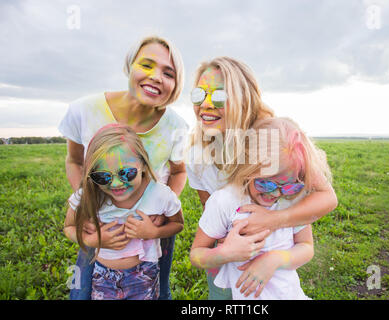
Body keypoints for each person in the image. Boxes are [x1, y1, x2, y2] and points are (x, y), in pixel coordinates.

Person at [185, 57, 338, 299]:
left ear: (243, 99)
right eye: (198, 95)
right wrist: (225, 252)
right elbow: (209, 210)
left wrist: (274, 220)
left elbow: (327, 197)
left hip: (273, 267)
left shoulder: (273, 139)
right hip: (226, 263)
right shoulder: (196, 155)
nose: (205, 104)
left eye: (219, 97)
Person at [58, 35, 188, 300]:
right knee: (81, 291)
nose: (155, 76)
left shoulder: (176, 127)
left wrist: (160, 216)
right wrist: (93, 208)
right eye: (147, 65)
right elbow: (75, 161)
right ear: (130, 66)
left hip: (150, 224)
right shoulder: (83, 110)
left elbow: (178, 172)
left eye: (168, 73)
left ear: (175, 84)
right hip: (97, 222)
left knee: (157, 290)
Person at [190, 117, 330, 299]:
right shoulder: (225, 201)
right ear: (247, 167)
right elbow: (196, 255)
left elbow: (306, 246)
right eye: (266, 184)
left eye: (289, 186)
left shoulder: (294, 200)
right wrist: (225, 253)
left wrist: (274, 260)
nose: (276, 194)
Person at [64, 124, 184, 300]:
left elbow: (178, 224)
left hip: (143, 275)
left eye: (126, 173)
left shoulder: (160, 194)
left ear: (143, 164)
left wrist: (155, 232)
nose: (115, 184)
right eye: (103, 177)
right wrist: (92, 240)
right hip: (102, 276)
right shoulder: (89, 196)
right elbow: (69, 226)